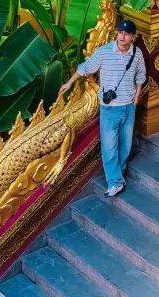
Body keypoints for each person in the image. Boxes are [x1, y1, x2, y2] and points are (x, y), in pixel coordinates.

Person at [59, 18, 146, 198]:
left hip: (128, 106)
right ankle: (115, 182)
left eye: (126, 34)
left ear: (132, 37)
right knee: (109, 146)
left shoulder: (136, 54)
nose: (122, 37)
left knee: (125, 144)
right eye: (120, 33)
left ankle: (119, 172)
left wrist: (137, 95)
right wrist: (69, 83)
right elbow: (85, 68)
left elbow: (140, 75)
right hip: (109, 108)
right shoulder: (105, 52)